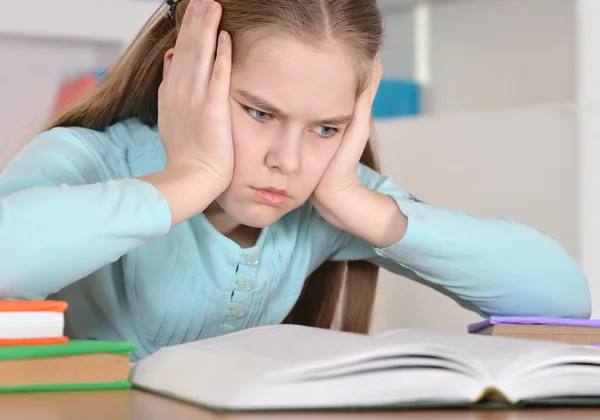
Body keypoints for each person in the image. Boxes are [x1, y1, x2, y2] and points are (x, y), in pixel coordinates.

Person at [0, 0, 591, 360]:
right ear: (184, 82)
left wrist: (359, 204)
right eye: (259, 113)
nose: (288, 159)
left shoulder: (324, 196)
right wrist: (190, 178)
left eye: (327, 127)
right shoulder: (89, 161)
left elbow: (560, 298)